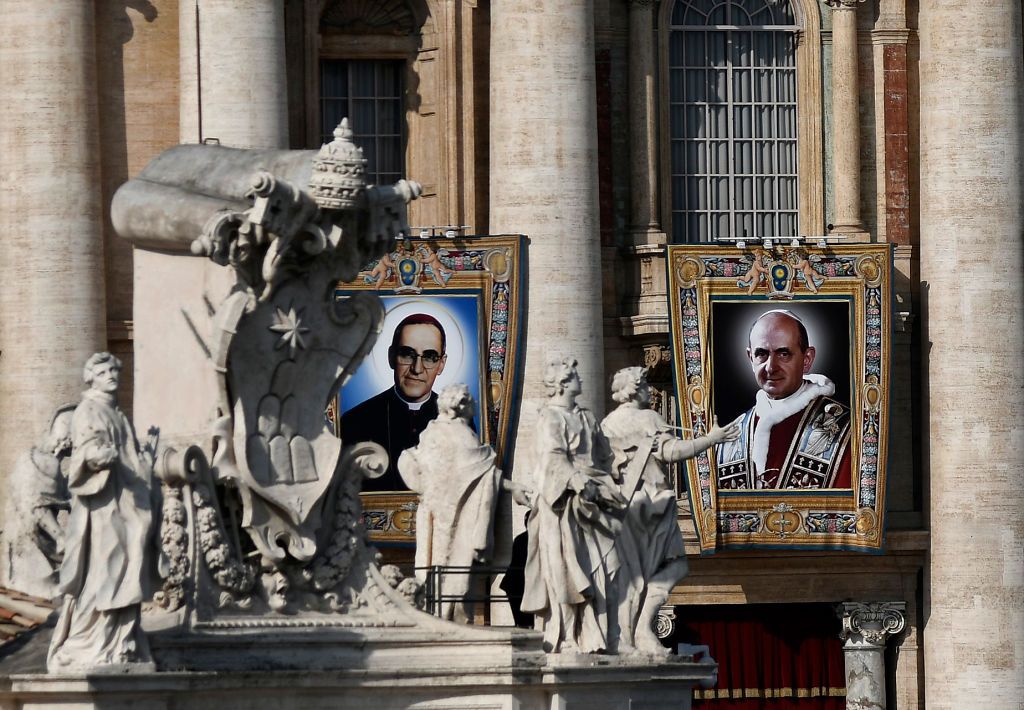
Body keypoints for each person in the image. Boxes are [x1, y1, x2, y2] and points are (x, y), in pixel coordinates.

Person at [602, 367, 738, 654]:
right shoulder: (647, 418)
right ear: (634, 388)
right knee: (670, 567)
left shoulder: (607, 424)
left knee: (633, 574)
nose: (649, 390)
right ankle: (638, 632)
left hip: (626, 507)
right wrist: (711, 439)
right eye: (645, 385)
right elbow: (671, 452)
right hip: (651, 503)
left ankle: (632, 634)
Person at [48, 352, 155, 671]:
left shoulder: (118, 414)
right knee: (105, 568)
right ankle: (86, 639)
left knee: (129, 563)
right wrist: (95, 456)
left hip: (128, 502)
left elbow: (130, 453)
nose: (112, 375)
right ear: (90, 377)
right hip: (102, 505)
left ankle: (121, 640)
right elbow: (85, 450)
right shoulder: (88, 411)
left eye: (114, 370)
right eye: (103, 370)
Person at [521, 358, 627, 654]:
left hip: (596, 500)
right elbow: (551, 459)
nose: (581, 379)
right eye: (575, 376)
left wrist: (614, 476)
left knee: (611, 567)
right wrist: (576, 479)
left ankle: (606, 635)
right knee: (565, 574)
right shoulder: (550, 419)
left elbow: (606, 456)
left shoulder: (587, 416)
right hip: (561, 507)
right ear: (564, 383)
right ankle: (566, 635)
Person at [397, 384, 502, 622]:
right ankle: (446, 616)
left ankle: (441, 614)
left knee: (441, 569)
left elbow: (413, 461)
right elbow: (479, 471)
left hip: (440, 510)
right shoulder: (460, 435)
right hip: (454, 514)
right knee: (450, 569)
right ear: (460, 405)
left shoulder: (432, 431)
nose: (475, 404)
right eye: (471, 400)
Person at [716, 310, 852, 490]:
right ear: (751, 358)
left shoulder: (848, 429)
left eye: (783, 354)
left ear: (807, 359)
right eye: (761, 354)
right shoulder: (729, 437)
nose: (771, 367)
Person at [339, 313, 448, 491]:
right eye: (407, 354)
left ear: (441, 364)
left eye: (429, 357)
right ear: (391, 357)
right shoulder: (354, 422)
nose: (417, 369)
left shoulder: (459, 422)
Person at [1, 405, 75, 598]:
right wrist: (59, 536)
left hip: (21, 543)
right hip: (30, 545)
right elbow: (37, 506)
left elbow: (55, 498)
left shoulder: (32, 457)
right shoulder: (45, 463)